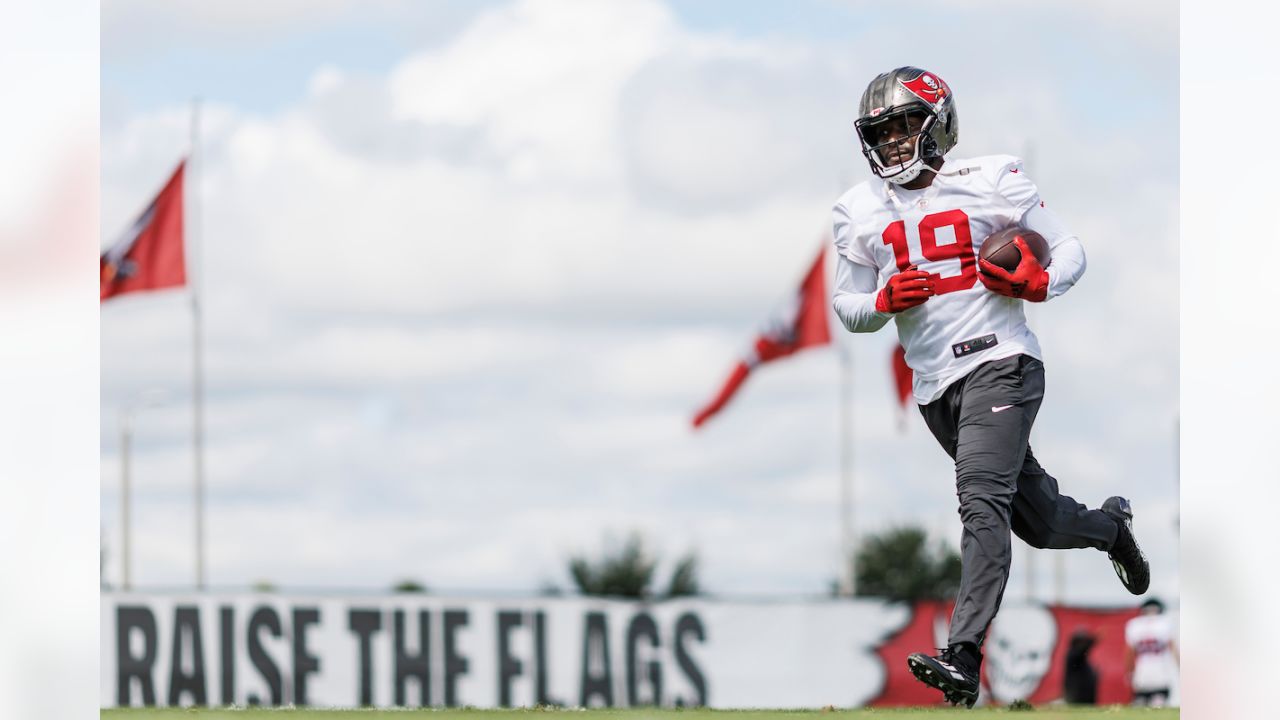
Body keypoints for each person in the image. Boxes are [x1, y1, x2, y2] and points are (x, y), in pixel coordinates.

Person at [830, 66, 1150, 708]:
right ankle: (1109, 529)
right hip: (935, 390)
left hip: (1001, 363)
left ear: (936, 124)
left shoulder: (992, 178)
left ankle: (964, 655)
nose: (892, 143)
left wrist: (1040, 283)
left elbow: (1070, 250)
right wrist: (885, 299)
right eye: (881, 133)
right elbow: (847, 304)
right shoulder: (858, 209)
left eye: (902, 127)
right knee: (1036, 522)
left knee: (980, 503)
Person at [1125, 598, 1178, 706]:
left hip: (1142, 672)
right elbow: (1173, 647)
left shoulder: (1134, 624)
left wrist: (1129, 671)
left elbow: (1129, 652)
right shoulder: (1165, 622)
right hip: (1161, 672)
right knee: (1159, 704)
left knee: (1140, 704)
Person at [1062, 629, 1099, 705]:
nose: (1083, 644)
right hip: (1076, 693)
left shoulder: (1081, 657)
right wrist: (1093, 640)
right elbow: (1081, 651)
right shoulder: (1072, 654)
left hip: (1086, 693)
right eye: (1082, 642)